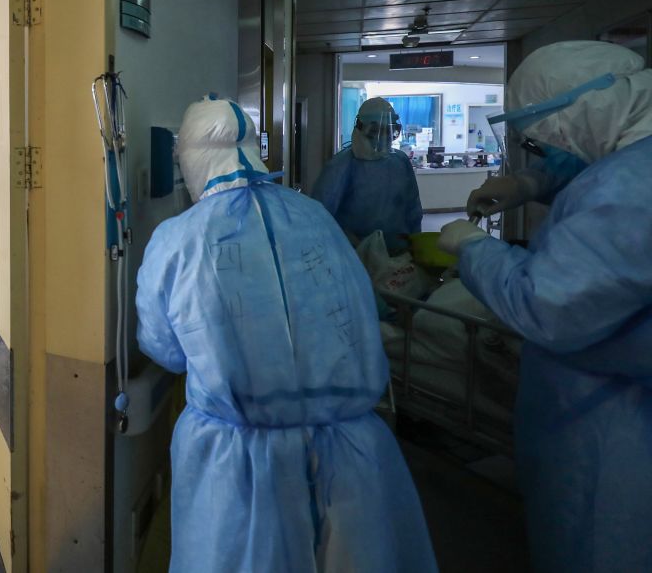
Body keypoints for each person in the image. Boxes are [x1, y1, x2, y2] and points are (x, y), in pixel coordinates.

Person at [137, 96, 436, 573]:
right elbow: (358, 309)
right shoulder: (315, 216)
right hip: (352, 452)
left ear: (188, 161)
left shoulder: (179, 238)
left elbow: (164, 350)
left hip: (239, 463)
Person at [438, 41, 652, 573]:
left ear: (589, 106)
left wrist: (474, 248)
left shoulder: (630, 189)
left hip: (615, 430)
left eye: (549, 133)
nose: (549, 146)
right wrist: (529, 182)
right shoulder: (629, 159)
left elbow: (546, 306)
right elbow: (591, 159)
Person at [310, 97, 422, 254]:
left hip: (398, 253)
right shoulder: (342, 165)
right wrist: (347, 243)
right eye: (376, 131)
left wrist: (416, 244)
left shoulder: (400, 161)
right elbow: (319, 215)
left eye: (387, 130)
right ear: (361, 129)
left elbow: (413, 208)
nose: (383, 137)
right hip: (355, 256)